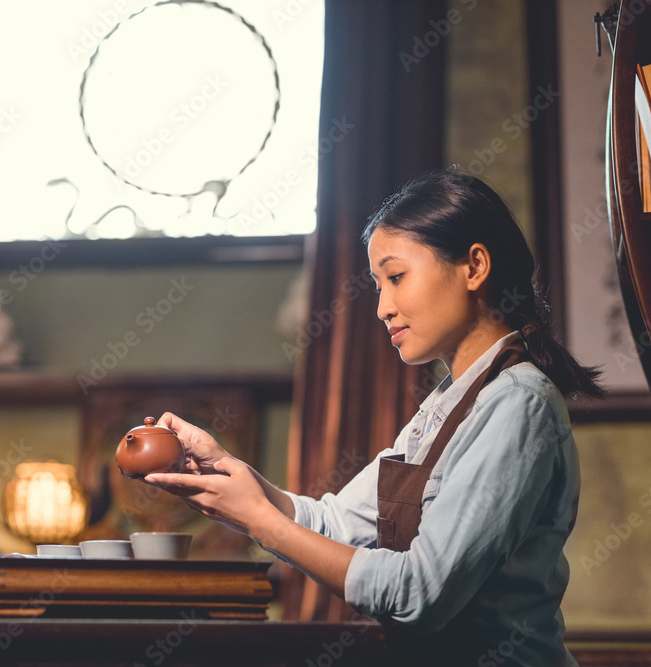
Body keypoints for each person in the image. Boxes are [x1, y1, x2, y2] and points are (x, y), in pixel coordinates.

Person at [145, 170, 603, 666]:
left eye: (397, 277)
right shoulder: (447, 404)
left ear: (474, 267)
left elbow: (421, 592)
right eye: (378, 285)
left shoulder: (518, 404)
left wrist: (260, 521)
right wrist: (225, 473)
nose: (383, 307)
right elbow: (336, 523)